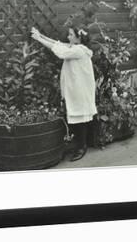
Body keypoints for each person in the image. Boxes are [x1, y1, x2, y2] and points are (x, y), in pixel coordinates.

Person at [31, 26, 96, 161]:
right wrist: (41, 36)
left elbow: (59, 51)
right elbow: (58, 44)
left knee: (80, 118)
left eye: (71, 35)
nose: (68, 37)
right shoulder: (75, 47)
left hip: (80, 90)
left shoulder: (78, 50)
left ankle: (82, 147)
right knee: (77, 117)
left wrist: (39, 39)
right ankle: (79, 144)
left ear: (78, 38)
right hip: (76, 88)